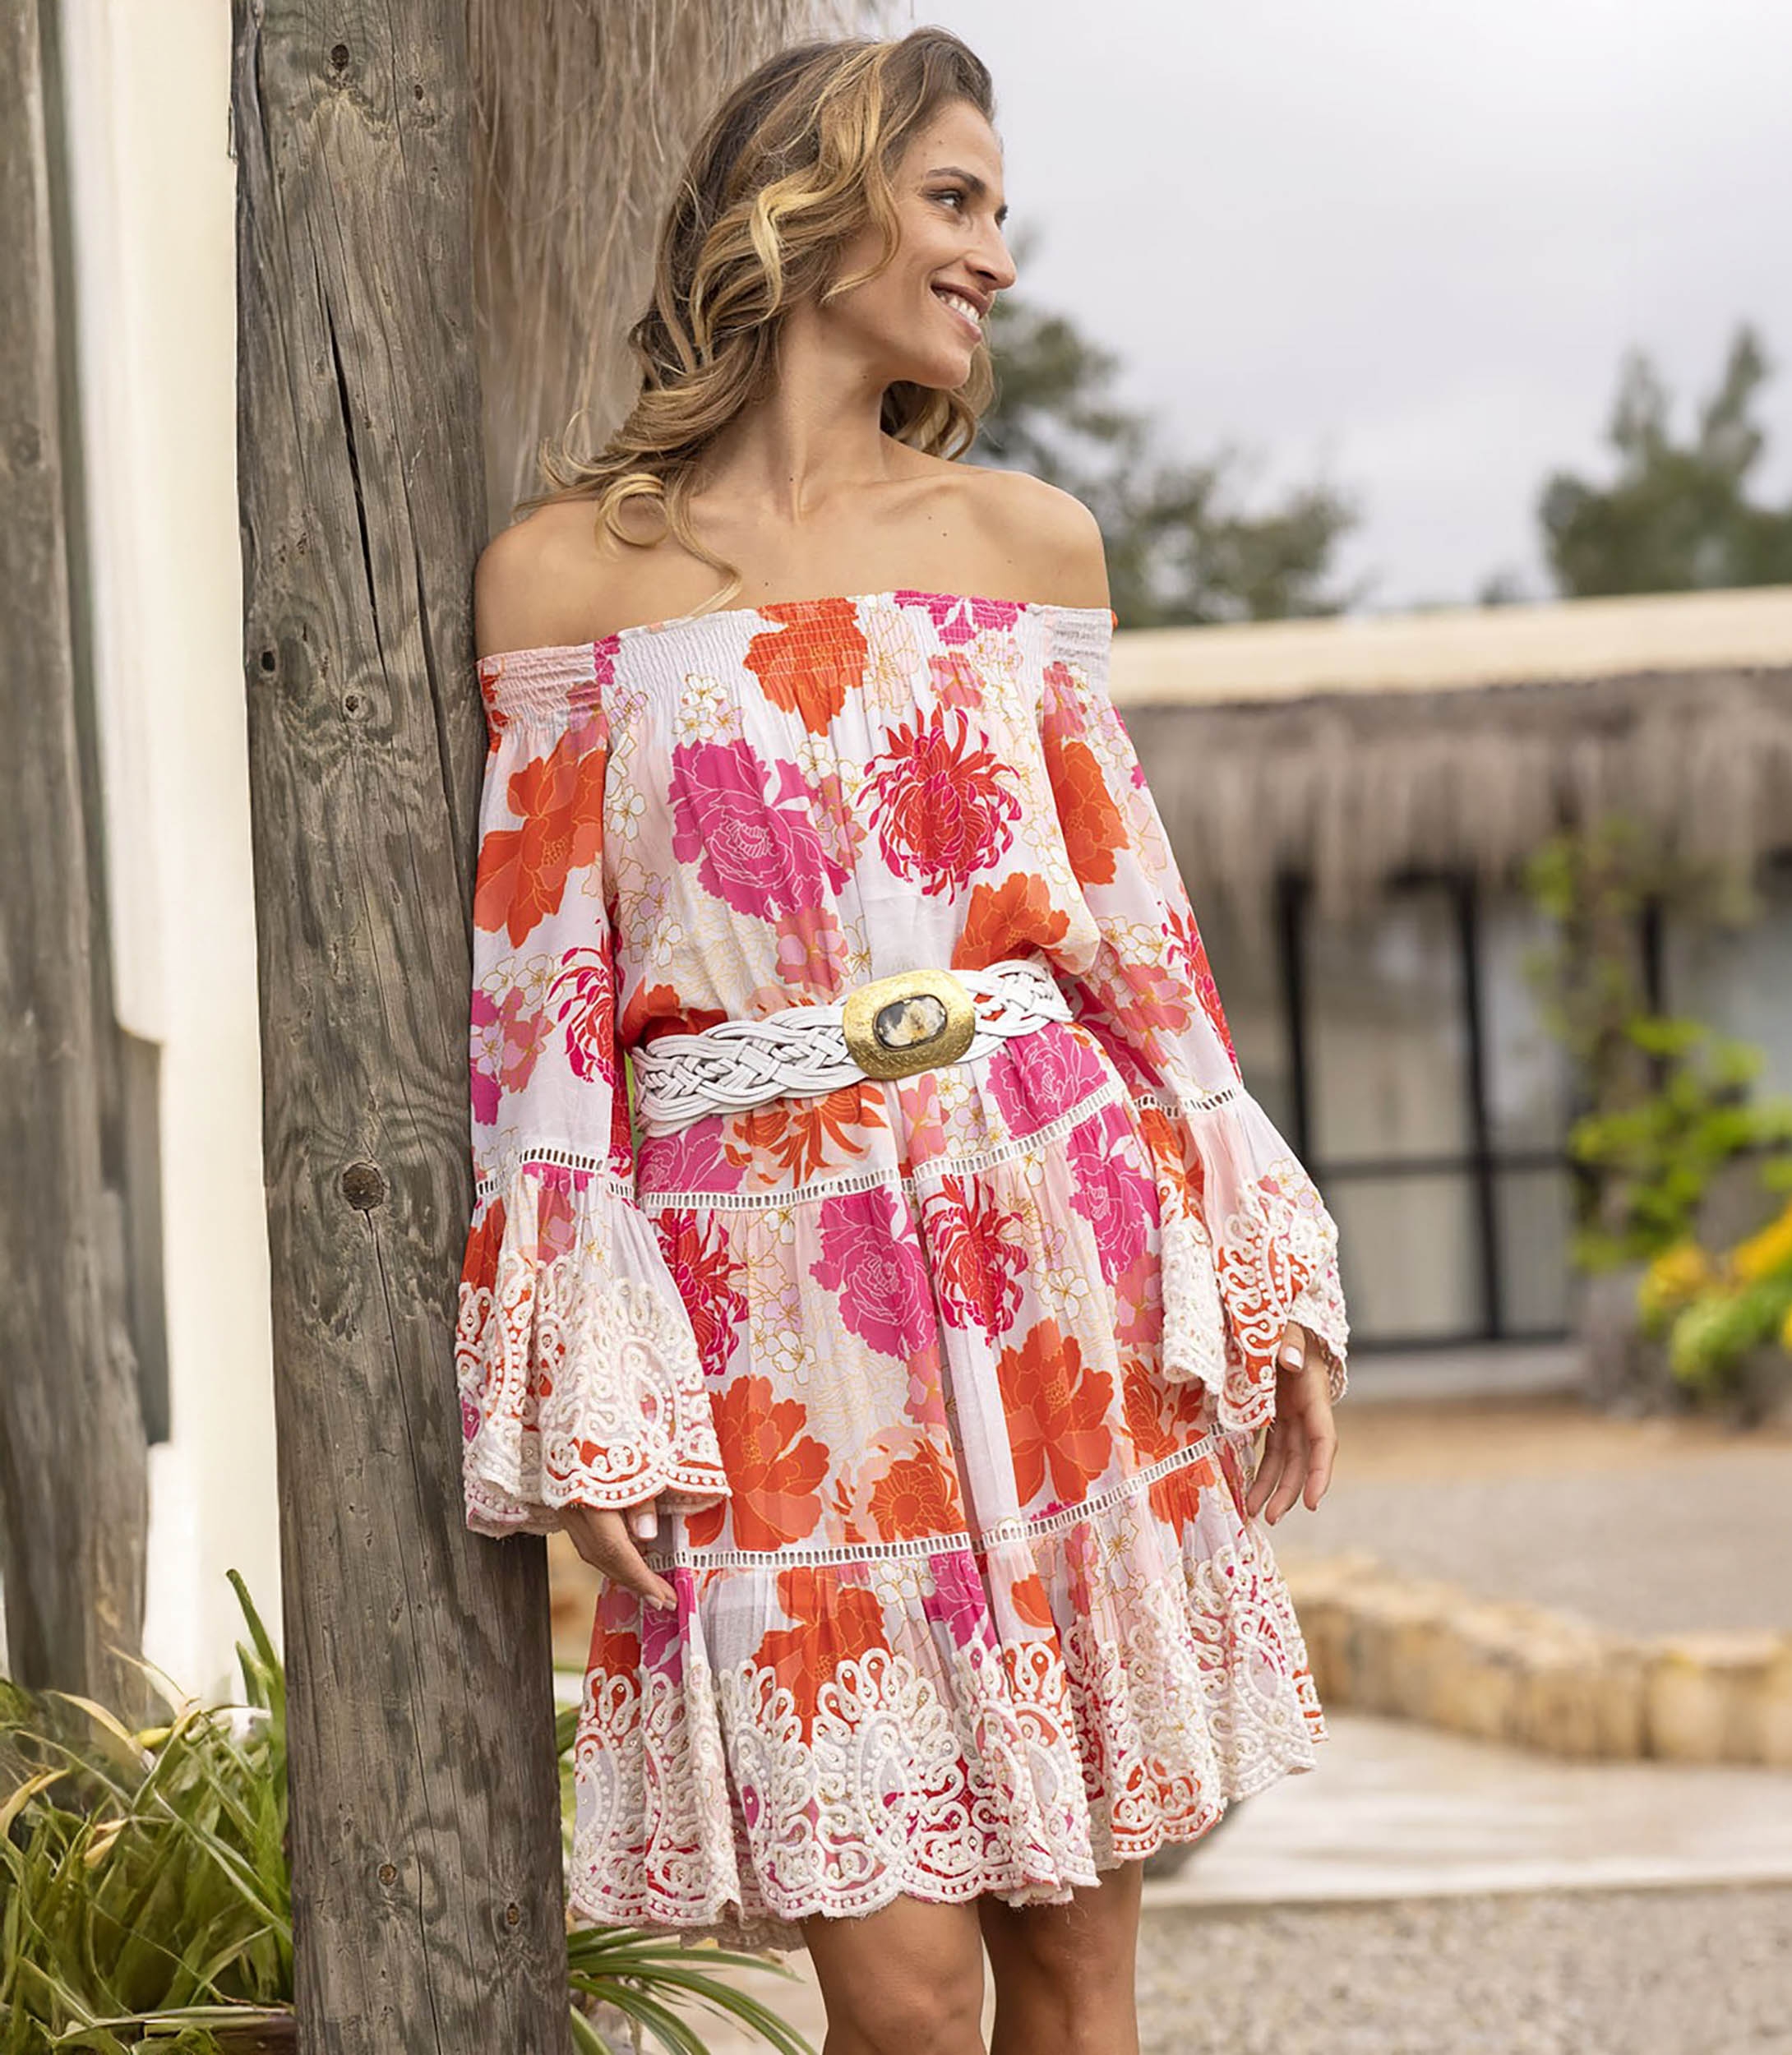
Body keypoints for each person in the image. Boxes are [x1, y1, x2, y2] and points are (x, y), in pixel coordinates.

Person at [460, 26, 1347, 2055]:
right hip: (759, 1308)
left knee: (1075, 1960)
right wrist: (595, 1359)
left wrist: (1251, 1253)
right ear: (811, 204)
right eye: (954, 202)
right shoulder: (564, 575)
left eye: (997, 214)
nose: (996, 262)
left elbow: (1136, 939)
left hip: (1052, 1239)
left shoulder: (1022, 544)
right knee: (908, 1993)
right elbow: (540, 1012)